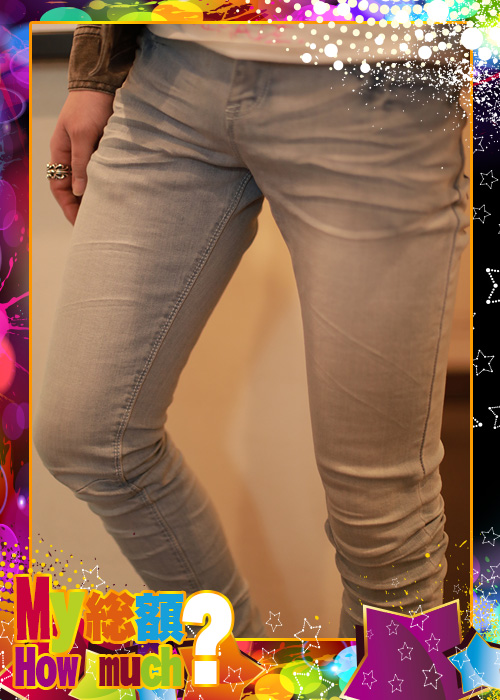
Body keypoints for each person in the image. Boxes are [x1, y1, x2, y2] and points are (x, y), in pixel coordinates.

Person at [34, 22, 470, 638]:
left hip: (375, 83)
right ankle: (239, 666)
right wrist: (93, 73)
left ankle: (387, 677)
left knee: (380, 518)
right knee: (86, 436)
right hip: (171, 73)